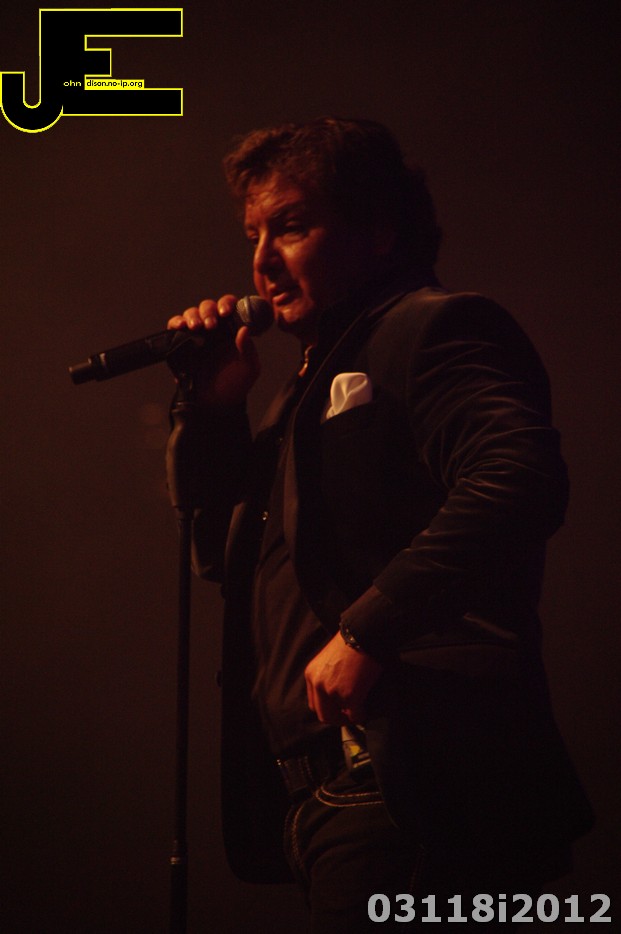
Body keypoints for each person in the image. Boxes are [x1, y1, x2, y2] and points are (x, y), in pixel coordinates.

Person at [166, 117, 593, 931]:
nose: (261, 261)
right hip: (332, 797)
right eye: (253, 236)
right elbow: (223, 559)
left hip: (422, 778)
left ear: (378, 229)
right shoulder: (299, 392)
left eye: (291, 226)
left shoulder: (431, 328)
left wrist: (367, 629)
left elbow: (520, 479)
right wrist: (216, 412)